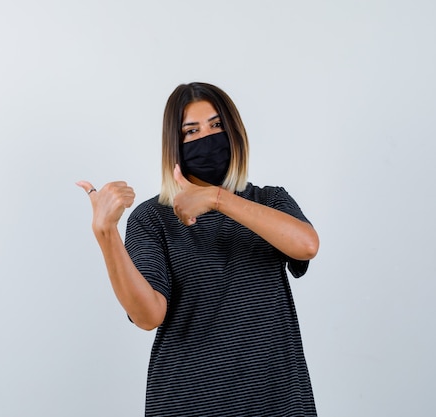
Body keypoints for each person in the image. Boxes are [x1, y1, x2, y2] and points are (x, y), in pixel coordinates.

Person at [77, 82, 319, 416]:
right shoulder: (153, 218)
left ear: (234, 132)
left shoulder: (269, 201)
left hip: (277, 401)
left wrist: (218, 199)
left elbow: (306, 245)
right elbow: (148, 316)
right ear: (175, 145)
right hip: (188, 402)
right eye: (191, 131)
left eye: (217, 125)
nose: (207, 137)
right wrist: (106, 232)